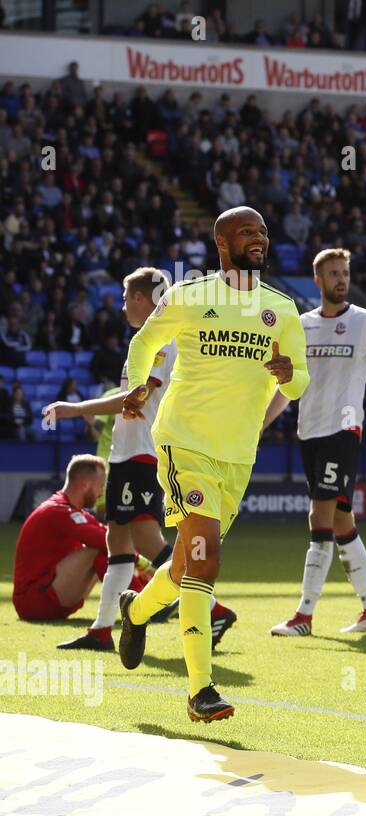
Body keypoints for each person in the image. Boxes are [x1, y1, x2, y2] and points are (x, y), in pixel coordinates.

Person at [115, 206, 309, 723]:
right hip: (186, 444)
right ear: (222, 242)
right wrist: (134, 385)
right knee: (205, 559)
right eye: (248, 232)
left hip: (237, 455)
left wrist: (290, 374)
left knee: (184, 568)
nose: (259, 239)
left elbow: (298, 384)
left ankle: (134, 611)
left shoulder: (281, 309)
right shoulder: (190, 296)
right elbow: (143, 342)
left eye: (264, 231)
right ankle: (201, 691)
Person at [42, 267, 235, 651]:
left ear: (145, 299)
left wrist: (76, 408)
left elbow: (138, 396)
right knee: (119, 544)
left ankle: (213, 609)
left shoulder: (163, 341)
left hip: (144, 453)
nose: (124, 305)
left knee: (147, 540)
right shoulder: (146, 341)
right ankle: (101, 630)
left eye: (129, 297)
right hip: (125, 453)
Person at [265, 248, 366, 637]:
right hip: (310, 433)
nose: (341, 279)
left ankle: (304, 616)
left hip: (344, 431)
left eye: (345, 273)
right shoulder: (302, 326)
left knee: (318, 517)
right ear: (318, 280)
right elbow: (287, 388)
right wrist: (259, 426)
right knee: (342, 521)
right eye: (334, 273)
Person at [12, 455, 109, 621]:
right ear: (85, 485)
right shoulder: (57, 511)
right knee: (99, 546)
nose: (101, 493)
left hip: (44, 597)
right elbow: (104, 539)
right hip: (33, 602)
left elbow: (106, 534)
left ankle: (139, 600)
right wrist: (139, 558)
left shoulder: (70, 510)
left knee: (106, 546)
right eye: (100, 486)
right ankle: (138, 601)